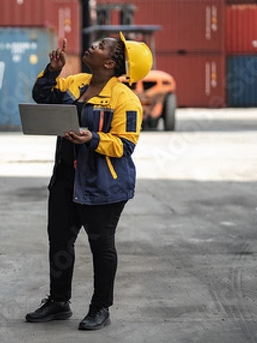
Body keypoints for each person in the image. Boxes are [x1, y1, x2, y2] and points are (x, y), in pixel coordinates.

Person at [25, 33, 153, 331]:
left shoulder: (126, 100)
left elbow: (124, 145)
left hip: (103, 185)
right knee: (59, 240)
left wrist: (91, 138)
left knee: (101, 246)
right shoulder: (75, 83)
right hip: (66, 179)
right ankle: (59, 302)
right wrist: (53, 71)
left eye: (101, 46)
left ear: (110, 62)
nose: (92, 46)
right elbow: (43, 98)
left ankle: (100, 308)